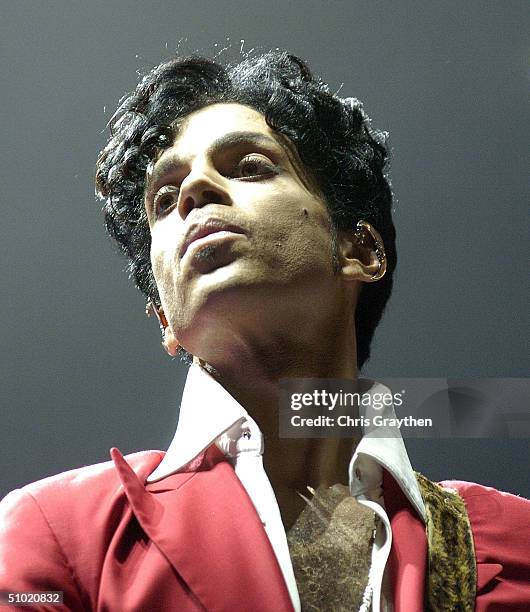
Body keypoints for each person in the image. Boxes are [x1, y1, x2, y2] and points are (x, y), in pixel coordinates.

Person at [1, 50, 529, 612]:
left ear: (359, 249)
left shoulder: (514, 544)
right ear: (163, 315)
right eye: (163, 197)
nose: (194, 190)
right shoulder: (52, 534)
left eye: (250, 165)